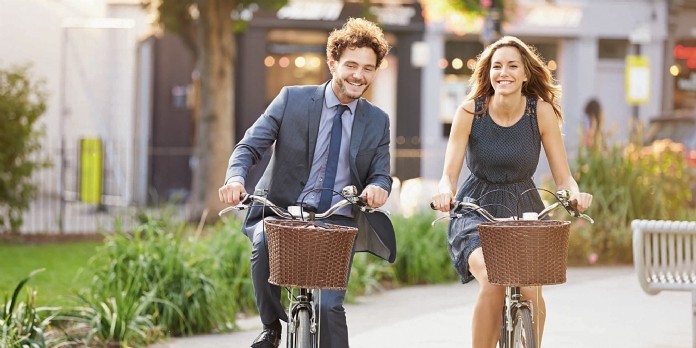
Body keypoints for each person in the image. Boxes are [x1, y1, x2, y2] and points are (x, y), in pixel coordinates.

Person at [218, 18, 395, 348]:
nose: (359, 75)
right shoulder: (292, 100)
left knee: (329, 307)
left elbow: (381, 173)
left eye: (368, 68)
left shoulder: (377, 120)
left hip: (338, 218)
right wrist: (235, 178)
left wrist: (378, 187)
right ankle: (271, 328)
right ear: (332, 63)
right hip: (282, 210)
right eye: (351, 65)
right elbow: (249, 147)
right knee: (262, 244)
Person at [430, 35, 593, 347]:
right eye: (496, 66)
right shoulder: (470, 112)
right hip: (476, 209)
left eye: (512, 66)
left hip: (523, 209)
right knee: (494, 279)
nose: (503, 72)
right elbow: (447, 177)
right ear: (488, 73)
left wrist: (574, 194)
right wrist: (443, 195)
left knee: (531, 291)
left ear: (525, 74)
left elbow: (564, 178)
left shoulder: (540, 112)